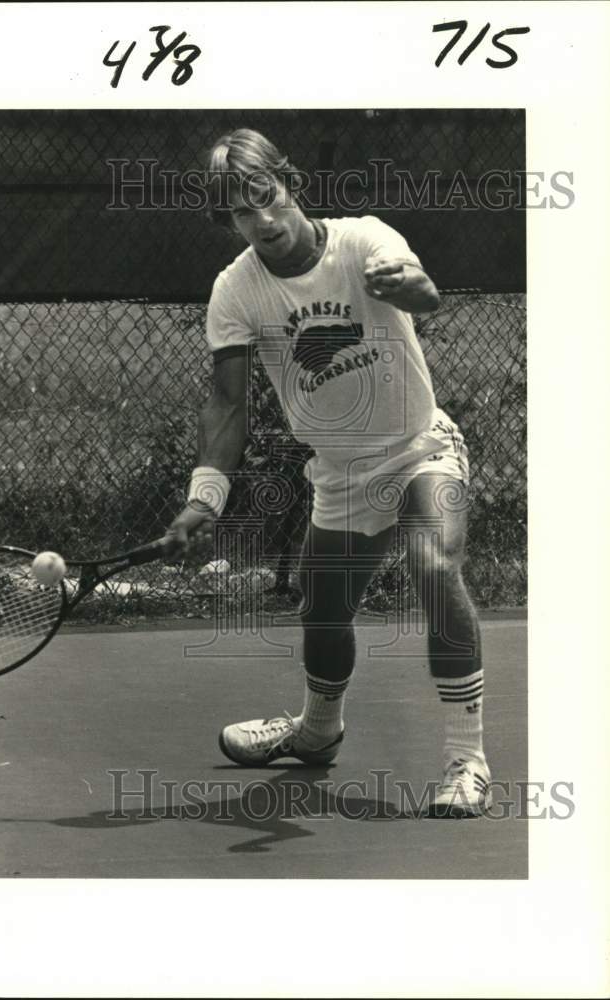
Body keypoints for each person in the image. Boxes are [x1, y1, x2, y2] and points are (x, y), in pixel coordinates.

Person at [164, 128, 490, 817]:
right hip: (339, 475)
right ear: (225, 222)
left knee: (433, 565)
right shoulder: (235, 290)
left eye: (267, 198)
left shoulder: (363, 239)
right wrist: (205, 496)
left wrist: (412, 287)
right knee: (323, 613)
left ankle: (466, 758)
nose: (263, 222)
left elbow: (426, 294)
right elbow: (226, 405)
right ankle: (316, 733)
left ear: (289, 185)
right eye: (241, 213)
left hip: (418, 448)